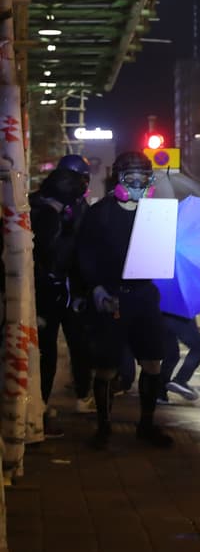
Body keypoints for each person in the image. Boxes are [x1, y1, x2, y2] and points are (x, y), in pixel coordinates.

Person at [75, 152, 173, 449]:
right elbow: (84, 255)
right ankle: (103, 428)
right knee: (106, 366)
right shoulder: (99, 212)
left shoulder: (155, 214)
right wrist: (95, 290)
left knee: (153, 361)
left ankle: (146, 424)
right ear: (117, 179)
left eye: (142, 178)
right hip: (112, 297)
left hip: (144, 296)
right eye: (130, 178)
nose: (137, 184)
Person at [31, 166, 92, 437]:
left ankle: (43, 406)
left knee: (54, 350)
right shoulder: (49, 215)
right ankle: (40, 411)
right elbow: (53, 252)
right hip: (54, 291)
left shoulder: (39, 207)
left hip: (56, 291)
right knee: (50, 352)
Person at [158, 311, 200, 401]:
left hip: (161, 315)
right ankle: (180, 379)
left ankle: (159, 392)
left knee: (171, 354)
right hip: (181, 315)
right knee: (199, 348)